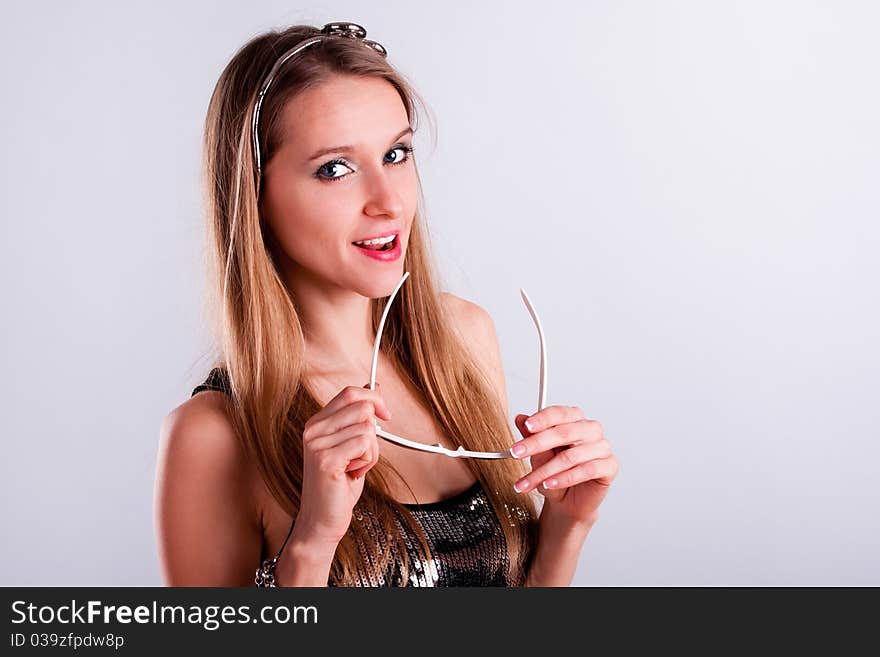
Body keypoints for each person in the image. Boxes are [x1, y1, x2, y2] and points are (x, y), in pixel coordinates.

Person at [154, 21, 619, 587]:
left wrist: (568, 525)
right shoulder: (214, 434)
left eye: (396, 153)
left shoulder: (464, 338)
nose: (389, 201)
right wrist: (312, 541)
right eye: (335, 168)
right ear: (254, 197)